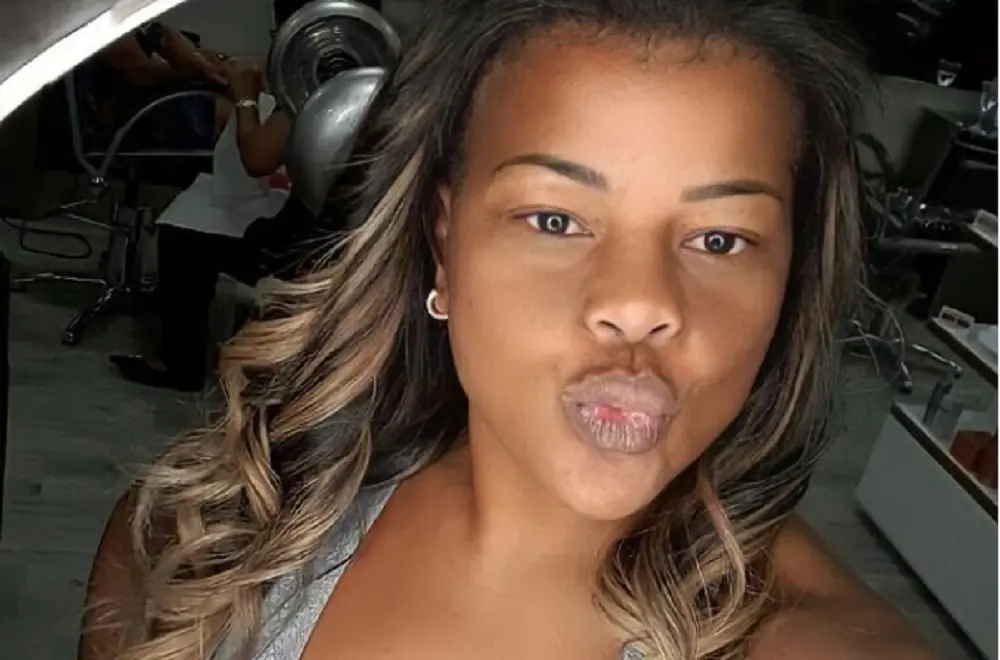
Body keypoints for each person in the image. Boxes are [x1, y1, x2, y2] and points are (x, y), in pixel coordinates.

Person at [80, 1, 937, 659]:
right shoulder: (207, 540)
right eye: (555, 220)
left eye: (720, 239)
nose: (640, 303)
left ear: (788, 279)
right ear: (444, 244)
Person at [108, 56, 304, 392]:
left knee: (184, 234)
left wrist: (245, 97)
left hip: (307, 244)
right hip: (341, 226)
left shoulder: (317, 93)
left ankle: (180, 363)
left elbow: (257, 159)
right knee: (200, 206)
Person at [82, 21, 232, 151]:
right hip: (118, 120)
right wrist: (194, 71)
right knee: (234, 111)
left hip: (150, 103)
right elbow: (135, 66)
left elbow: (162, 39)